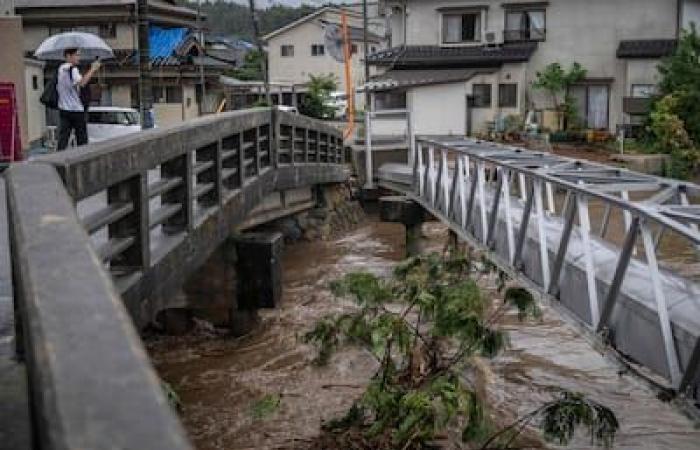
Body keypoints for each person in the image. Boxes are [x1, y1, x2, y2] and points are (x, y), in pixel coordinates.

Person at [57, 48, 101, 151]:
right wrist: (93, 69)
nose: (79, 58)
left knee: (63, 139)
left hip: (63, 109)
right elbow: (82, 83)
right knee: (82, 141)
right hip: (76, 110)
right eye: (77, 55)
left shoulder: (60, 69)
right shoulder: (73, 69)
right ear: (68, 56)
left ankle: (58, 160)